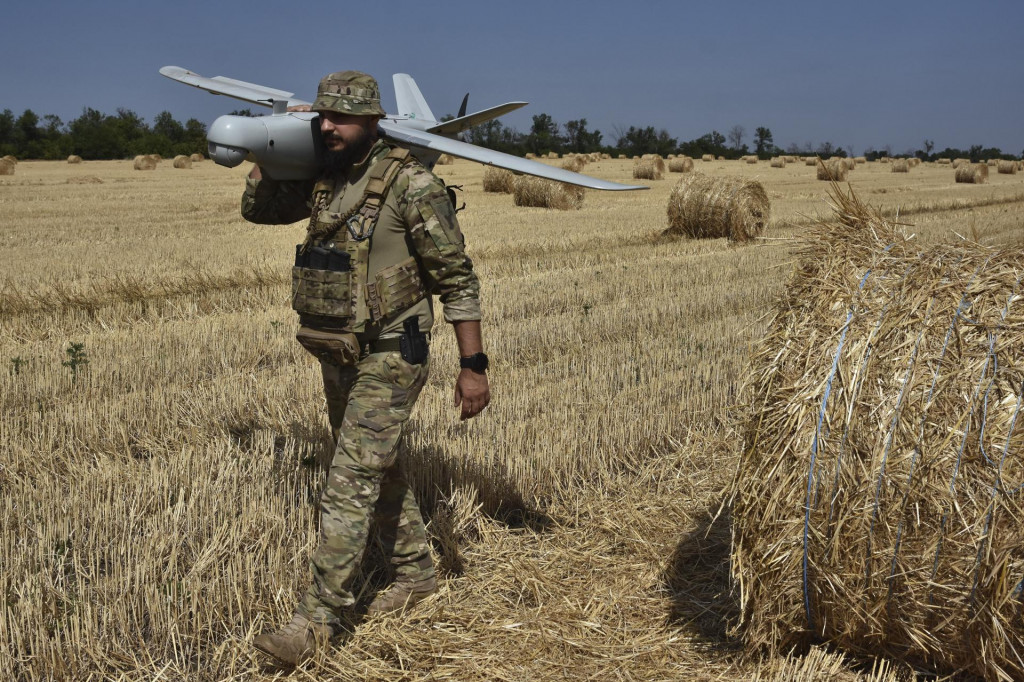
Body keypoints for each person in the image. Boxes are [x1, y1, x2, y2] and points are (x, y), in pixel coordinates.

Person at [242, 71, 490, 666]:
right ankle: (415, 573)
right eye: (322, 117)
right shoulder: (327, 179)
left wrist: (473, 366)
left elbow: (456, 281)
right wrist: (261, 151)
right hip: (339, 348)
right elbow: (258, 210)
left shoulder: (414, 185)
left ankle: (316, 622)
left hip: (393, 352)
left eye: (341, 118)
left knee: (349, 477)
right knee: (378, 466)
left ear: (373, 121)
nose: (328, 127)